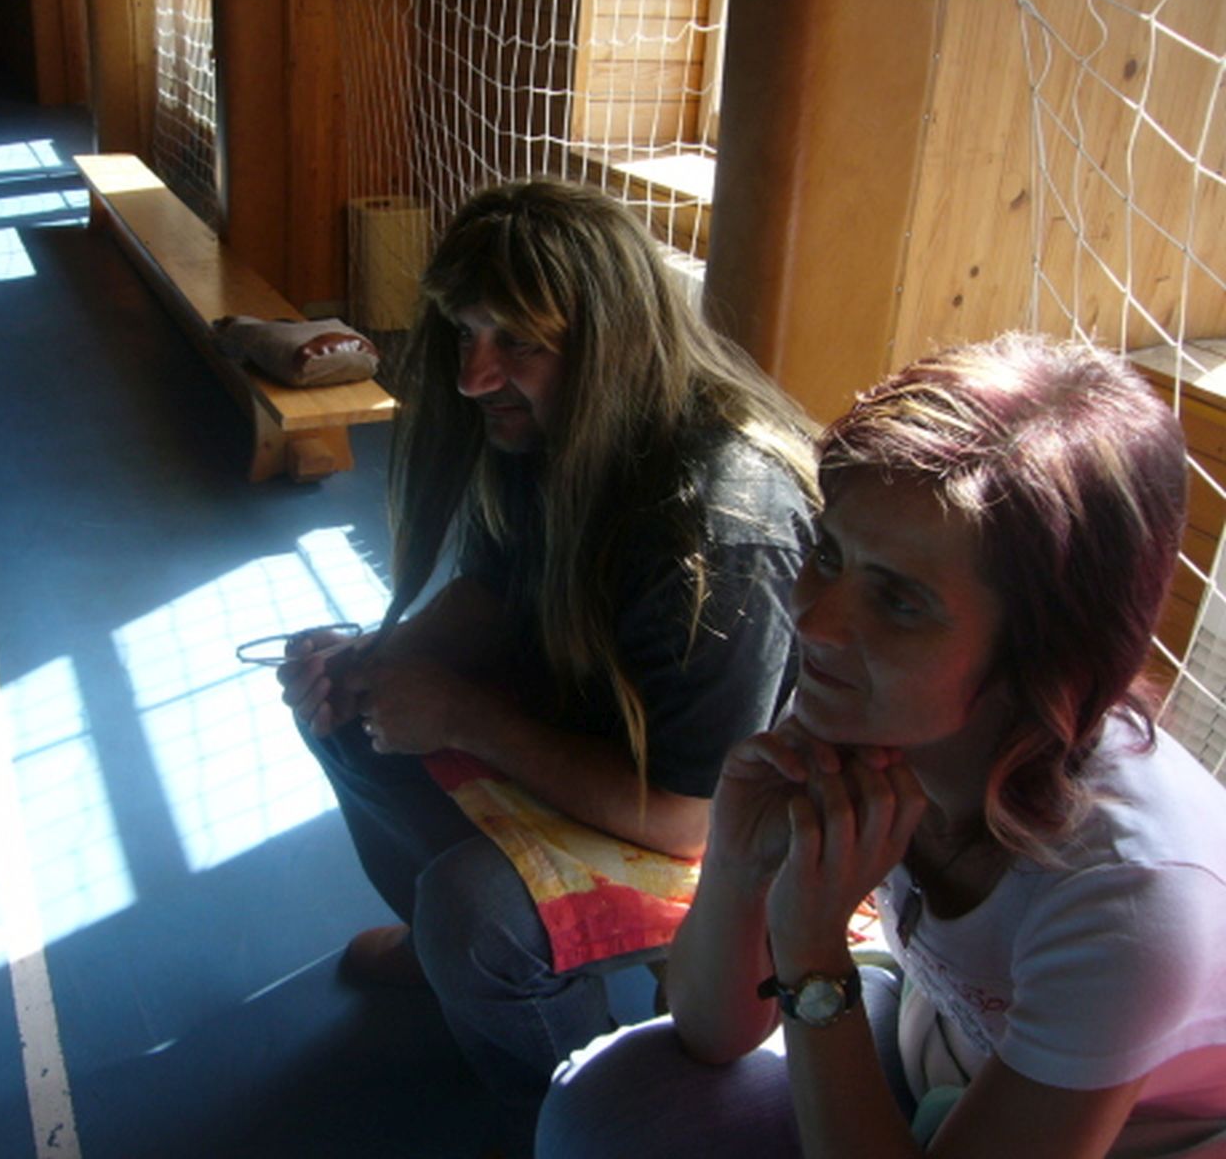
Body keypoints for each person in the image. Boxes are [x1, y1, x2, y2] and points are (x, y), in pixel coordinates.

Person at [536, 334, 1226, 1158]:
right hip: (941, 1042)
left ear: (1043, 654)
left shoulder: (1129, 897)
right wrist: (738, 863)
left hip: (1135, 1139)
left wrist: (812, 947)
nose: (815, 620)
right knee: (602, 1112)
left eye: (900, 602)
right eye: (829, 554)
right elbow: (713, 1031)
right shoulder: (880, 713)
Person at [276, 178, 817, 1150]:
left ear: (610, 340)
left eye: (518, 342)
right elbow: (491, 586)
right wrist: (377, 662)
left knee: (472, 915)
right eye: (465, 333)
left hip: (738, 828)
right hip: (605, 724)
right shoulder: (551, 425)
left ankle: (570, 1107)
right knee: (351, 714)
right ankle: (454, 967)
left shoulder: (723, 522)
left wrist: (461, 715)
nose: (473, 376)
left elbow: (688, 821)